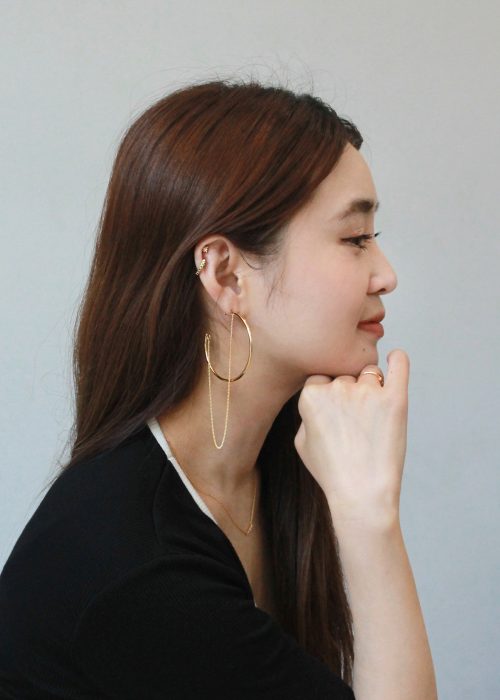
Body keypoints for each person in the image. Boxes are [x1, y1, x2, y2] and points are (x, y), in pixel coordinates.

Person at [0, 79, 438, 699]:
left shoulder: (279, 460)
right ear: (226, 274)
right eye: (354, 239)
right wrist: (369, 514)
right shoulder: (141, 569)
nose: (385, 275)